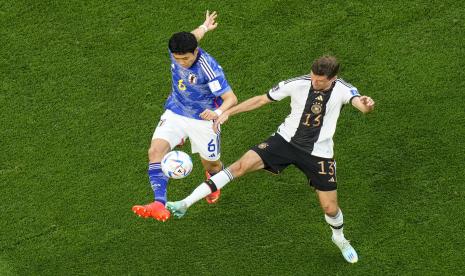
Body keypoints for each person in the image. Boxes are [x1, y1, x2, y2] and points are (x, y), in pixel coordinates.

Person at [166, 56, 375, 263]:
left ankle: (339, 239)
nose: (315, 82)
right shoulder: (297, 84)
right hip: (284, 141)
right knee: (240, 166)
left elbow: (361, 105)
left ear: (333, 78)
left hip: (319, 153)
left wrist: (367, 105)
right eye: (313, 77)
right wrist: (228, 112)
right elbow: (261, 99)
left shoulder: (343, 89)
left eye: (320, 81)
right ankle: (185, 202)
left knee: (330, 208)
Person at [132, 11, 238, 222]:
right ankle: (158, 203)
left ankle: (213, 181)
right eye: (177, 58)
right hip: (176, 111)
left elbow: (231, 98)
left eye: (186, 58)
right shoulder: (178, 50)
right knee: (155, 151)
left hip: (203, 120)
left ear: (195, 52)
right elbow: (193, 35)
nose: (181, 62)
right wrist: (205, 27)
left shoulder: (208, 68)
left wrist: (217, 113)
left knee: (213, 165)